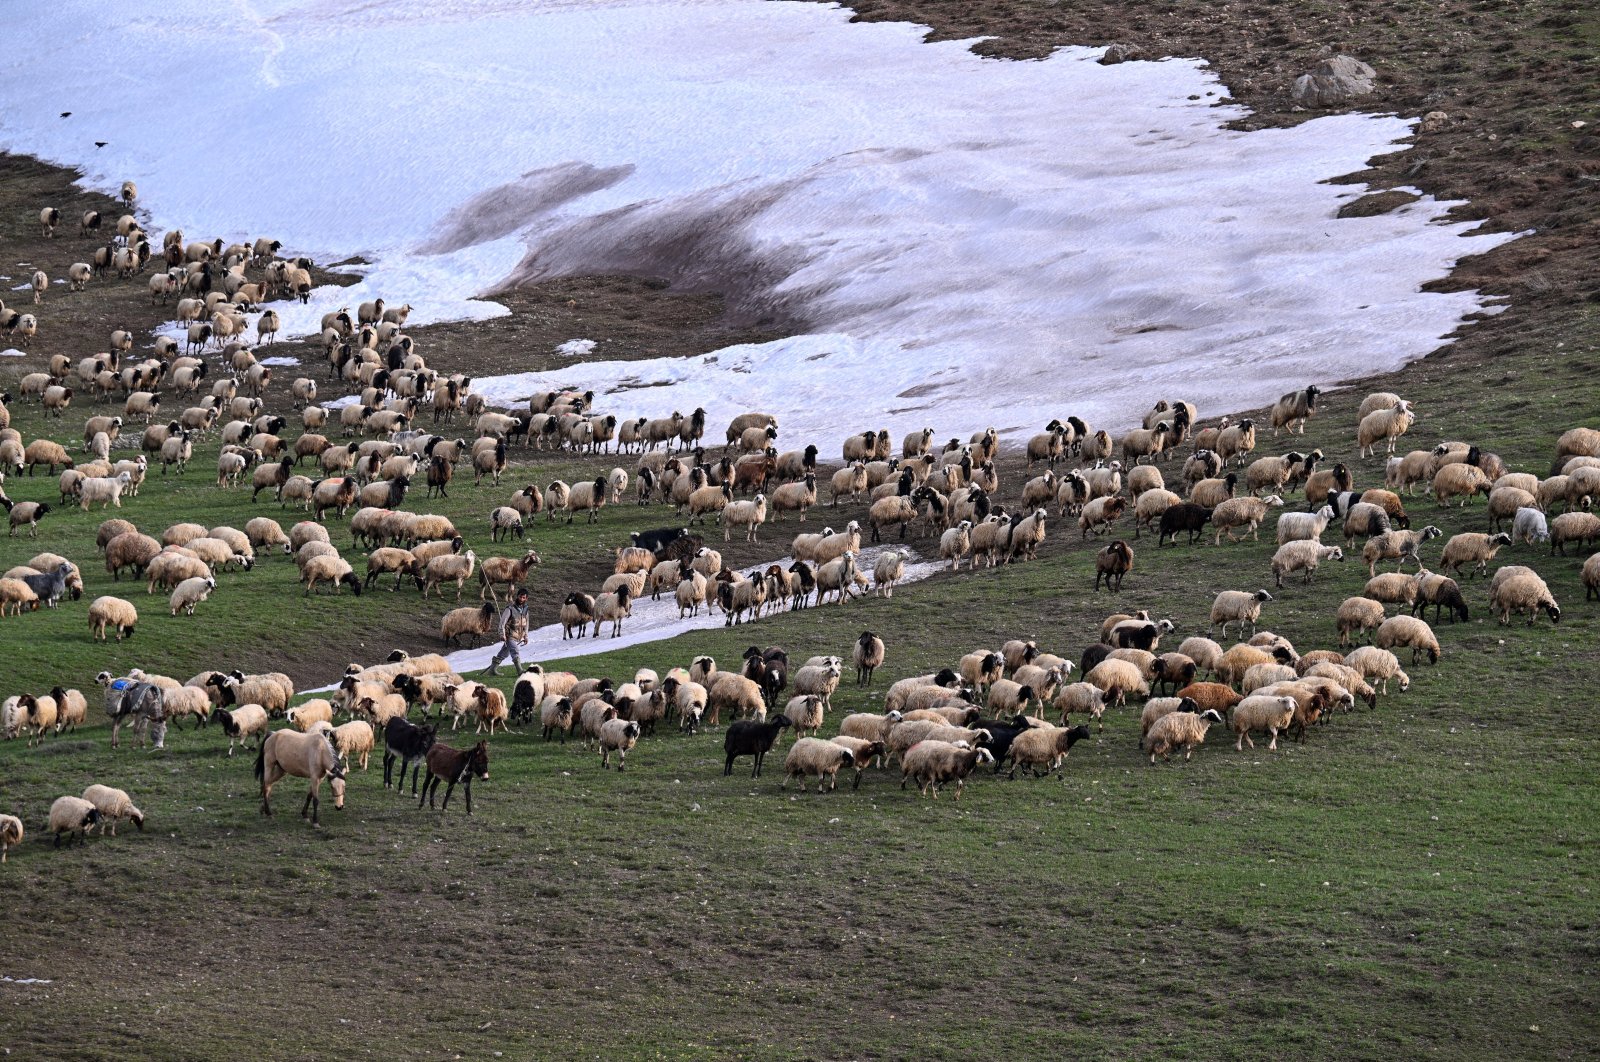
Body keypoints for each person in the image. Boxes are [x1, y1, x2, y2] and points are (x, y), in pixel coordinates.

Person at [484, 588, 531, 676]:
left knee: (504, 653)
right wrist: (502, 634)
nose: (521, 599)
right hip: (510, 635)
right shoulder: (510, 608)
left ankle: (492, 670)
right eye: (520, 597)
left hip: (518, 635)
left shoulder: (526, 609)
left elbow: (526, 624)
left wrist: (526, 636)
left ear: (526, 598)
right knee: (514, 650)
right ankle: (520, 671)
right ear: (517, 596)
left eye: (524, 598)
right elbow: (502, 622)